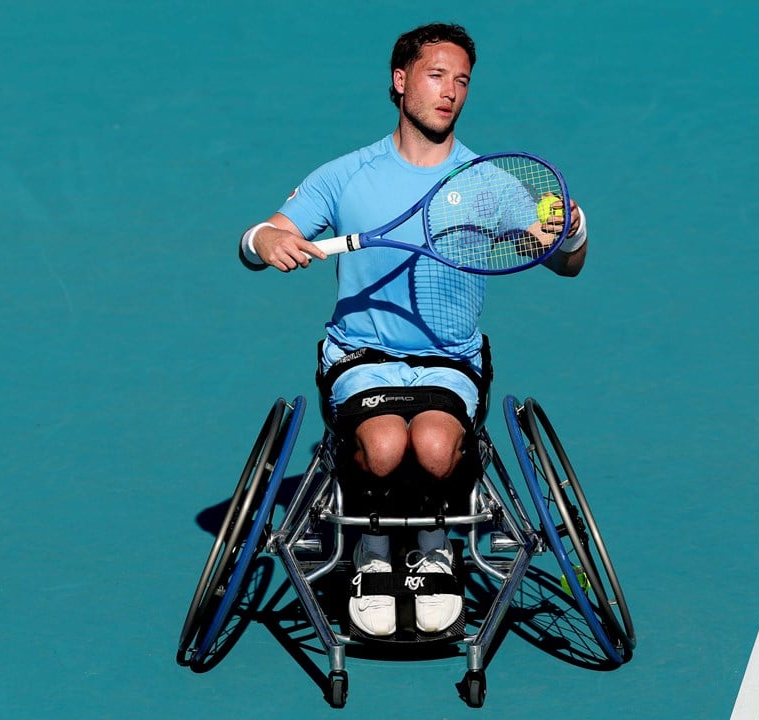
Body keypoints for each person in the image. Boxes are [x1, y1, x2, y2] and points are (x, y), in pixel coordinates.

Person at [238, 23, 588, 637]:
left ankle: (434, 549)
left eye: (462, 81)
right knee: (381, 447)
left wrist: (571, 230)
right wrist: (265, 241)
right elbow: (262, 235)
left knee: (430, 445)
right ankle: (372, 555)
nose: (450, 91)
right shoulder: (345, 175)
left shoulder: (487, 182)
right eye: (436, 75)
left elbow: (565, 260)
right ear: (401, 82)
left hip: (450, 360)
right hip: (360, 358)